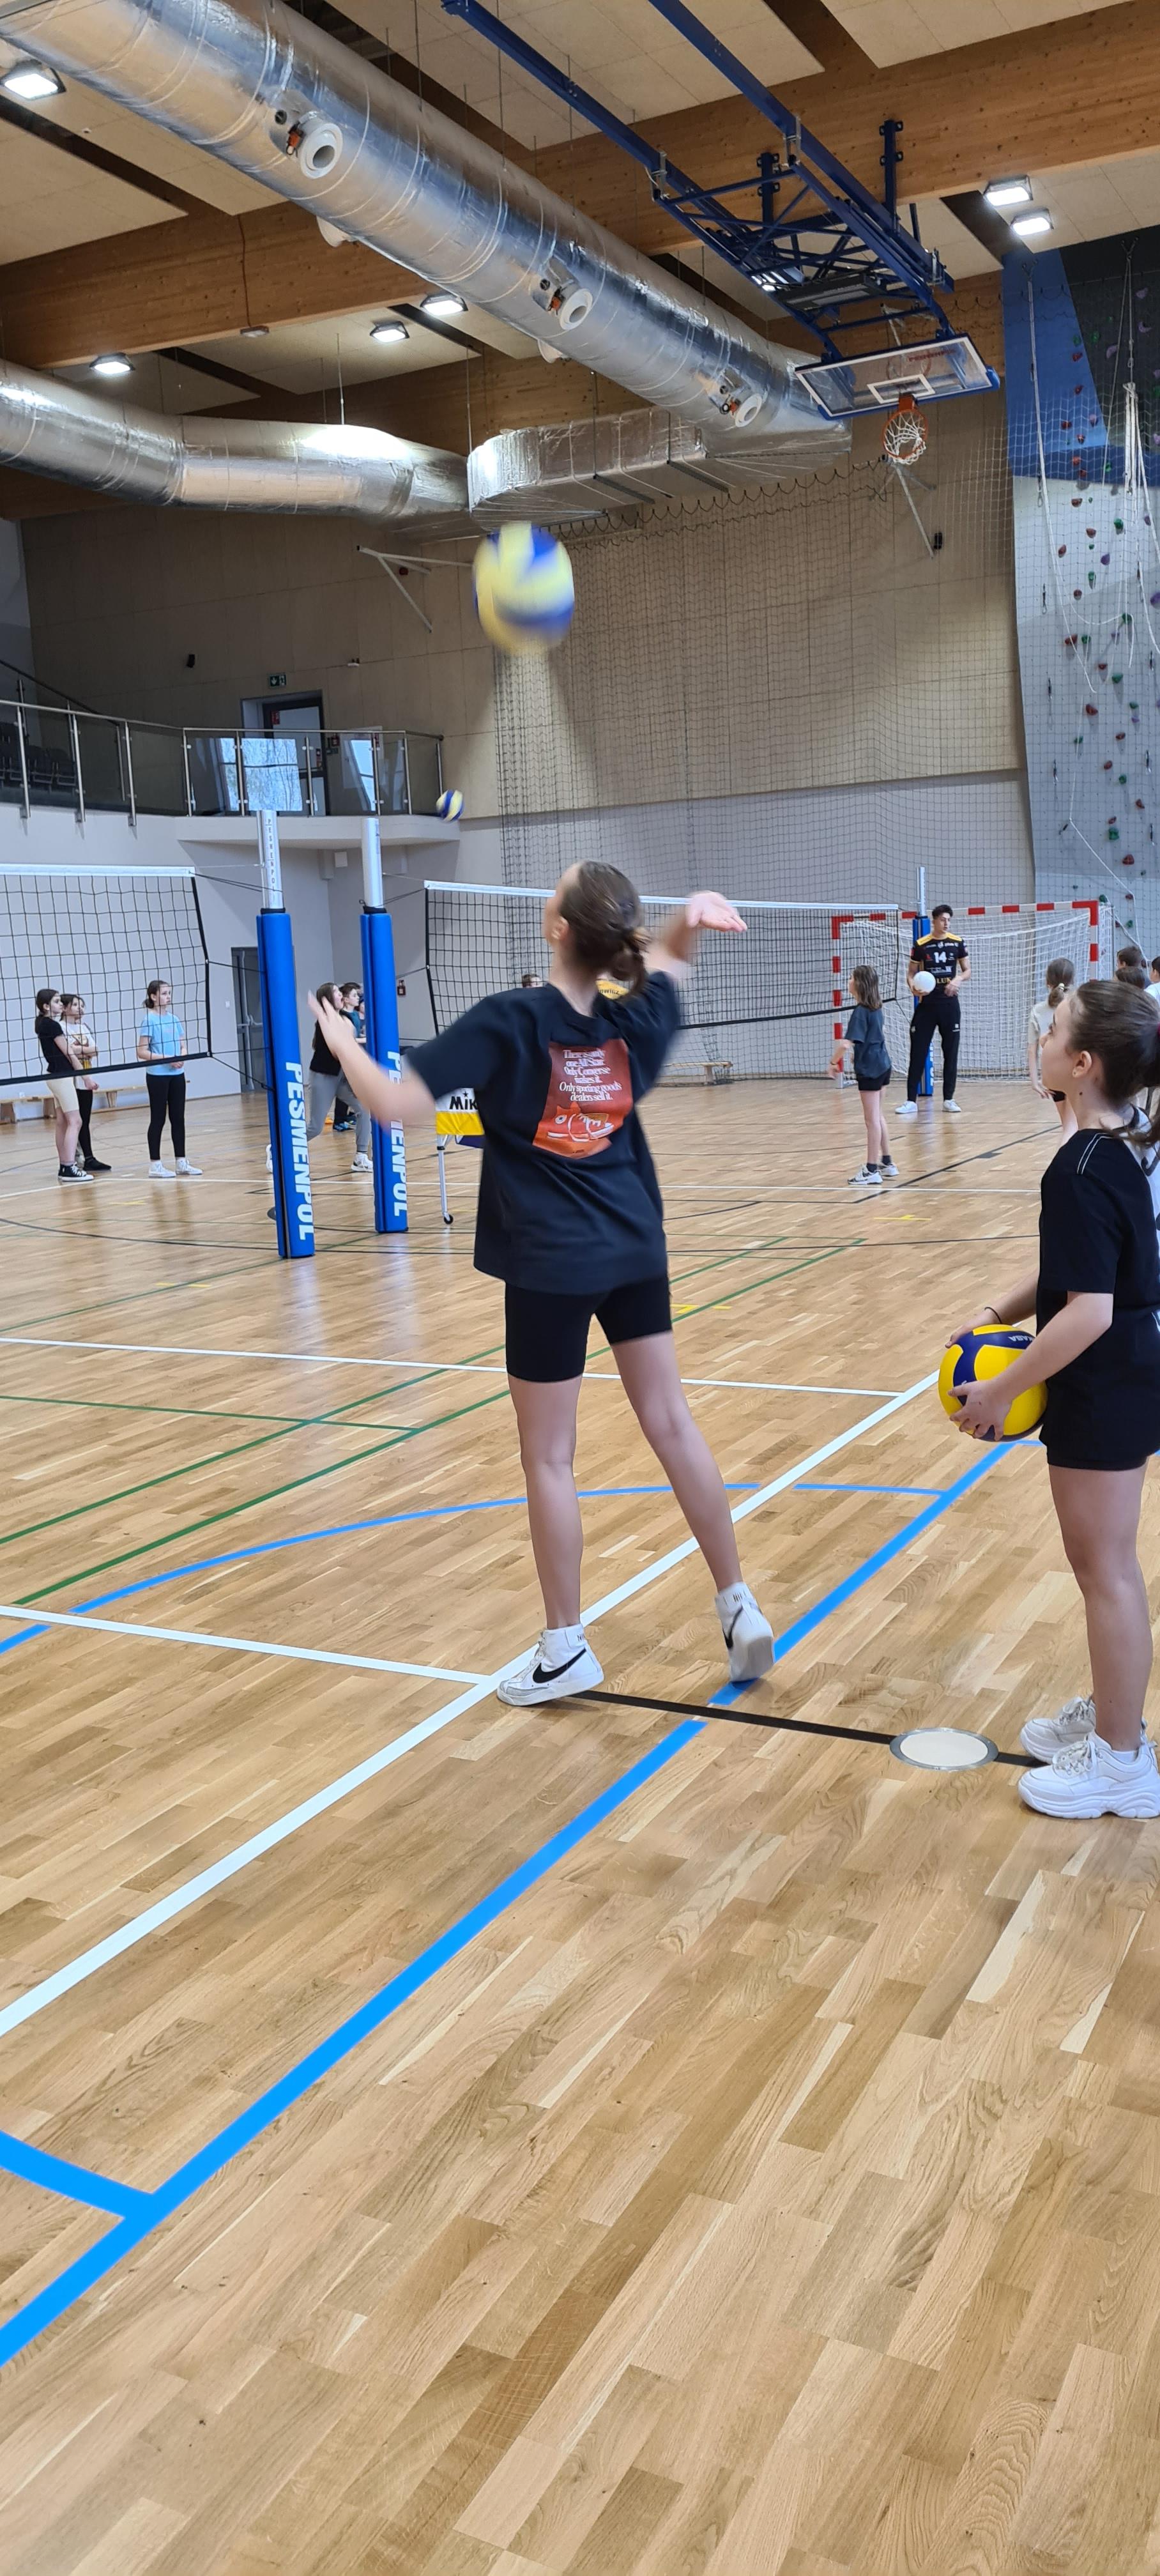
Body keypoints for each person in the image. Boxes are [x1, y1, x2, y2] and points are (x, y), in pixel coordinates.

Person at [310, 861, 775, 1703]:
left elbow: (392, 1104)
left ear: (559, 927)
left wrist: (340, 1041)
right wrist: (690, 918)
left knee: (550, 1459)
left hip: (551, 1264)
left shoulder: (509, 1020)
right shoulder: (634, 1021)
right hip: (634, 1249)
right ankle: (737, 1603)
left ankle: (565, 1647)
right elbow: (671, 960)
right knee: (672, 1424)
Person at [949, 977, 1160, 1818]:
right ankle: (1115, 1717)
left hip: (1104, 1379)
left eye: (1054, 1030)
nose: (1041, 1038)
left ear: (1082, 1063)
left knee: (1104, 1569)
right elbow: (1086, 1266)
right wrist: (997, 1311)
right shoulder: (1125, 1142)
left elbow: (1088, 1310)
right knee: (1109, 1565)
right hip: (1136, 1366)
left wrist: (999, 1390)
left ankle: (1120, 1762)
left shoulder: (1077, 1167)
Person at [896, 903, 970, 1117]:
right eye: (943, 920)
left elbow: (967, 970)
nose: (946, 924)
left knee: (951, 1052)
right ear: (934, 921)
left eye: (949, 920)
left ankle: (949, 1099)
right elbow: (911, 973)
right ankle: (911, 1101)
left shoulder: (957, 942)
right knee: (918, 1052)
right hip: (927, 1005)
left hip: (949, 1005)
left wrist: (957, 980)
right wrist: (913, 986)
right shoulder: (921, 944)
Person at [829, 963, 897, 1187]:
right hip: (883, 1065)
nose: (848, 981)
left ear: (859, 984)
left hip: (870, 1070)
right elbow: (871, 1037)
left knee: (871, 1120)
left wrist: (832, 1063)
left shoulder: (860, 1012)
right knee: (878, 1115)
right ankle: (887, 1162)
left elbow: (845, 1044)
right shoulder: (876, 1008)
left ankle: (871, 1170)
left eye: (851, 977)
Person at [307, 981, 372, 1170]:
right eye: (336, 992)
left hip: (341, 1076)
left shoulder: (345, 1018)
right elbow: (339, 1048)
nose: (340, 995)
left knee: (364, 1110)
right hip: (323, 1077)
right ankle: (277, 1149)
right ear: (327, 999)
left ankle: (361, 1158)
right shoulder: (324, 1022)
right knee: (316, 1127)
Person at [137, 978, 199, 1177]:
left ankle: (181, 1162)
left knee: (178, 1118)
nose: (168, 997)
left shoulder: (174, 1019)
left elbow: (182, 1045)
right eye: (164, 994)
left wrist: (182, 1056)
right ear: (153, 996)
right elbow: (142, 1052)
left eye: (169, 993)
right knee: (158, 1119)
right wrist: (167, 1059)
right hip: (158, 1076)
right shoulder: (149, 1020)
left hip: (177, 1075)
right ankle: (155, 1165)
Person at [33, 986, 89, 1184]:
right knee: (76, 1121)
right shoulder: (52, 1026)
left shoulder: (43, 1024)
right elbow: (69, 1053)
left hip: (54, 1076)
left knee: (63, 1122)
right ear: (46, 1006)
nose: (61, 1005)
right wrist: (86, 1078)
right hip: (62, 1078)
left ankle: (64, 1166)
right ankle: (69, 1166)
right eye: (57, 1002)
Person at [1027, 958, 1077, 1143]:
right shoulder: (1077, 1006)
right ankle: (1065, 1160)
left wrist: (1035, 1081)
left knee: (1068, 1126)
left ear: (1047, 982)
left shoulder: (1038, 1010)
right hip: (1073, 1072)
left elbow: (1032, 1049)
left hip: (1051, 1074)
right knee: (1072, 1128)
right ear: (1072, 980)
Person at [60, 994, 111, 1174]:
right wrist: (83, 1051)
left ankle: (88, 1158)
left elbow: (95, 1050)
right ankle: (74, 1159)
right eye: (75, 1005)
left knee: (85, 1120)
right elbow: (67, 1051)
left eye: (82, 1005)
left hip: (86, 1076)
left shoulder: (84, 1027)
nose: (80, 1008)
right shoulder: (61, 1027)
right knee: (73, 1121)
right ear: (65, 1008)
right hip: (71, 1079)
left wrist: (79, 1050)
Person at [331, 981, 364, 1139]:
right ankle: (339, 1120)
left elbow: (355, 1034)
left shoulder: (355, 1015)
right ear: (346, 999)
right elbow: (347, 1039)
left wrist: (363, 1036)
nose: (358, 998)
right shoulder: (342, 1016)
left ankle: (347, 1115)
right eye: (354, 995)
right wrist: (367, 1040)